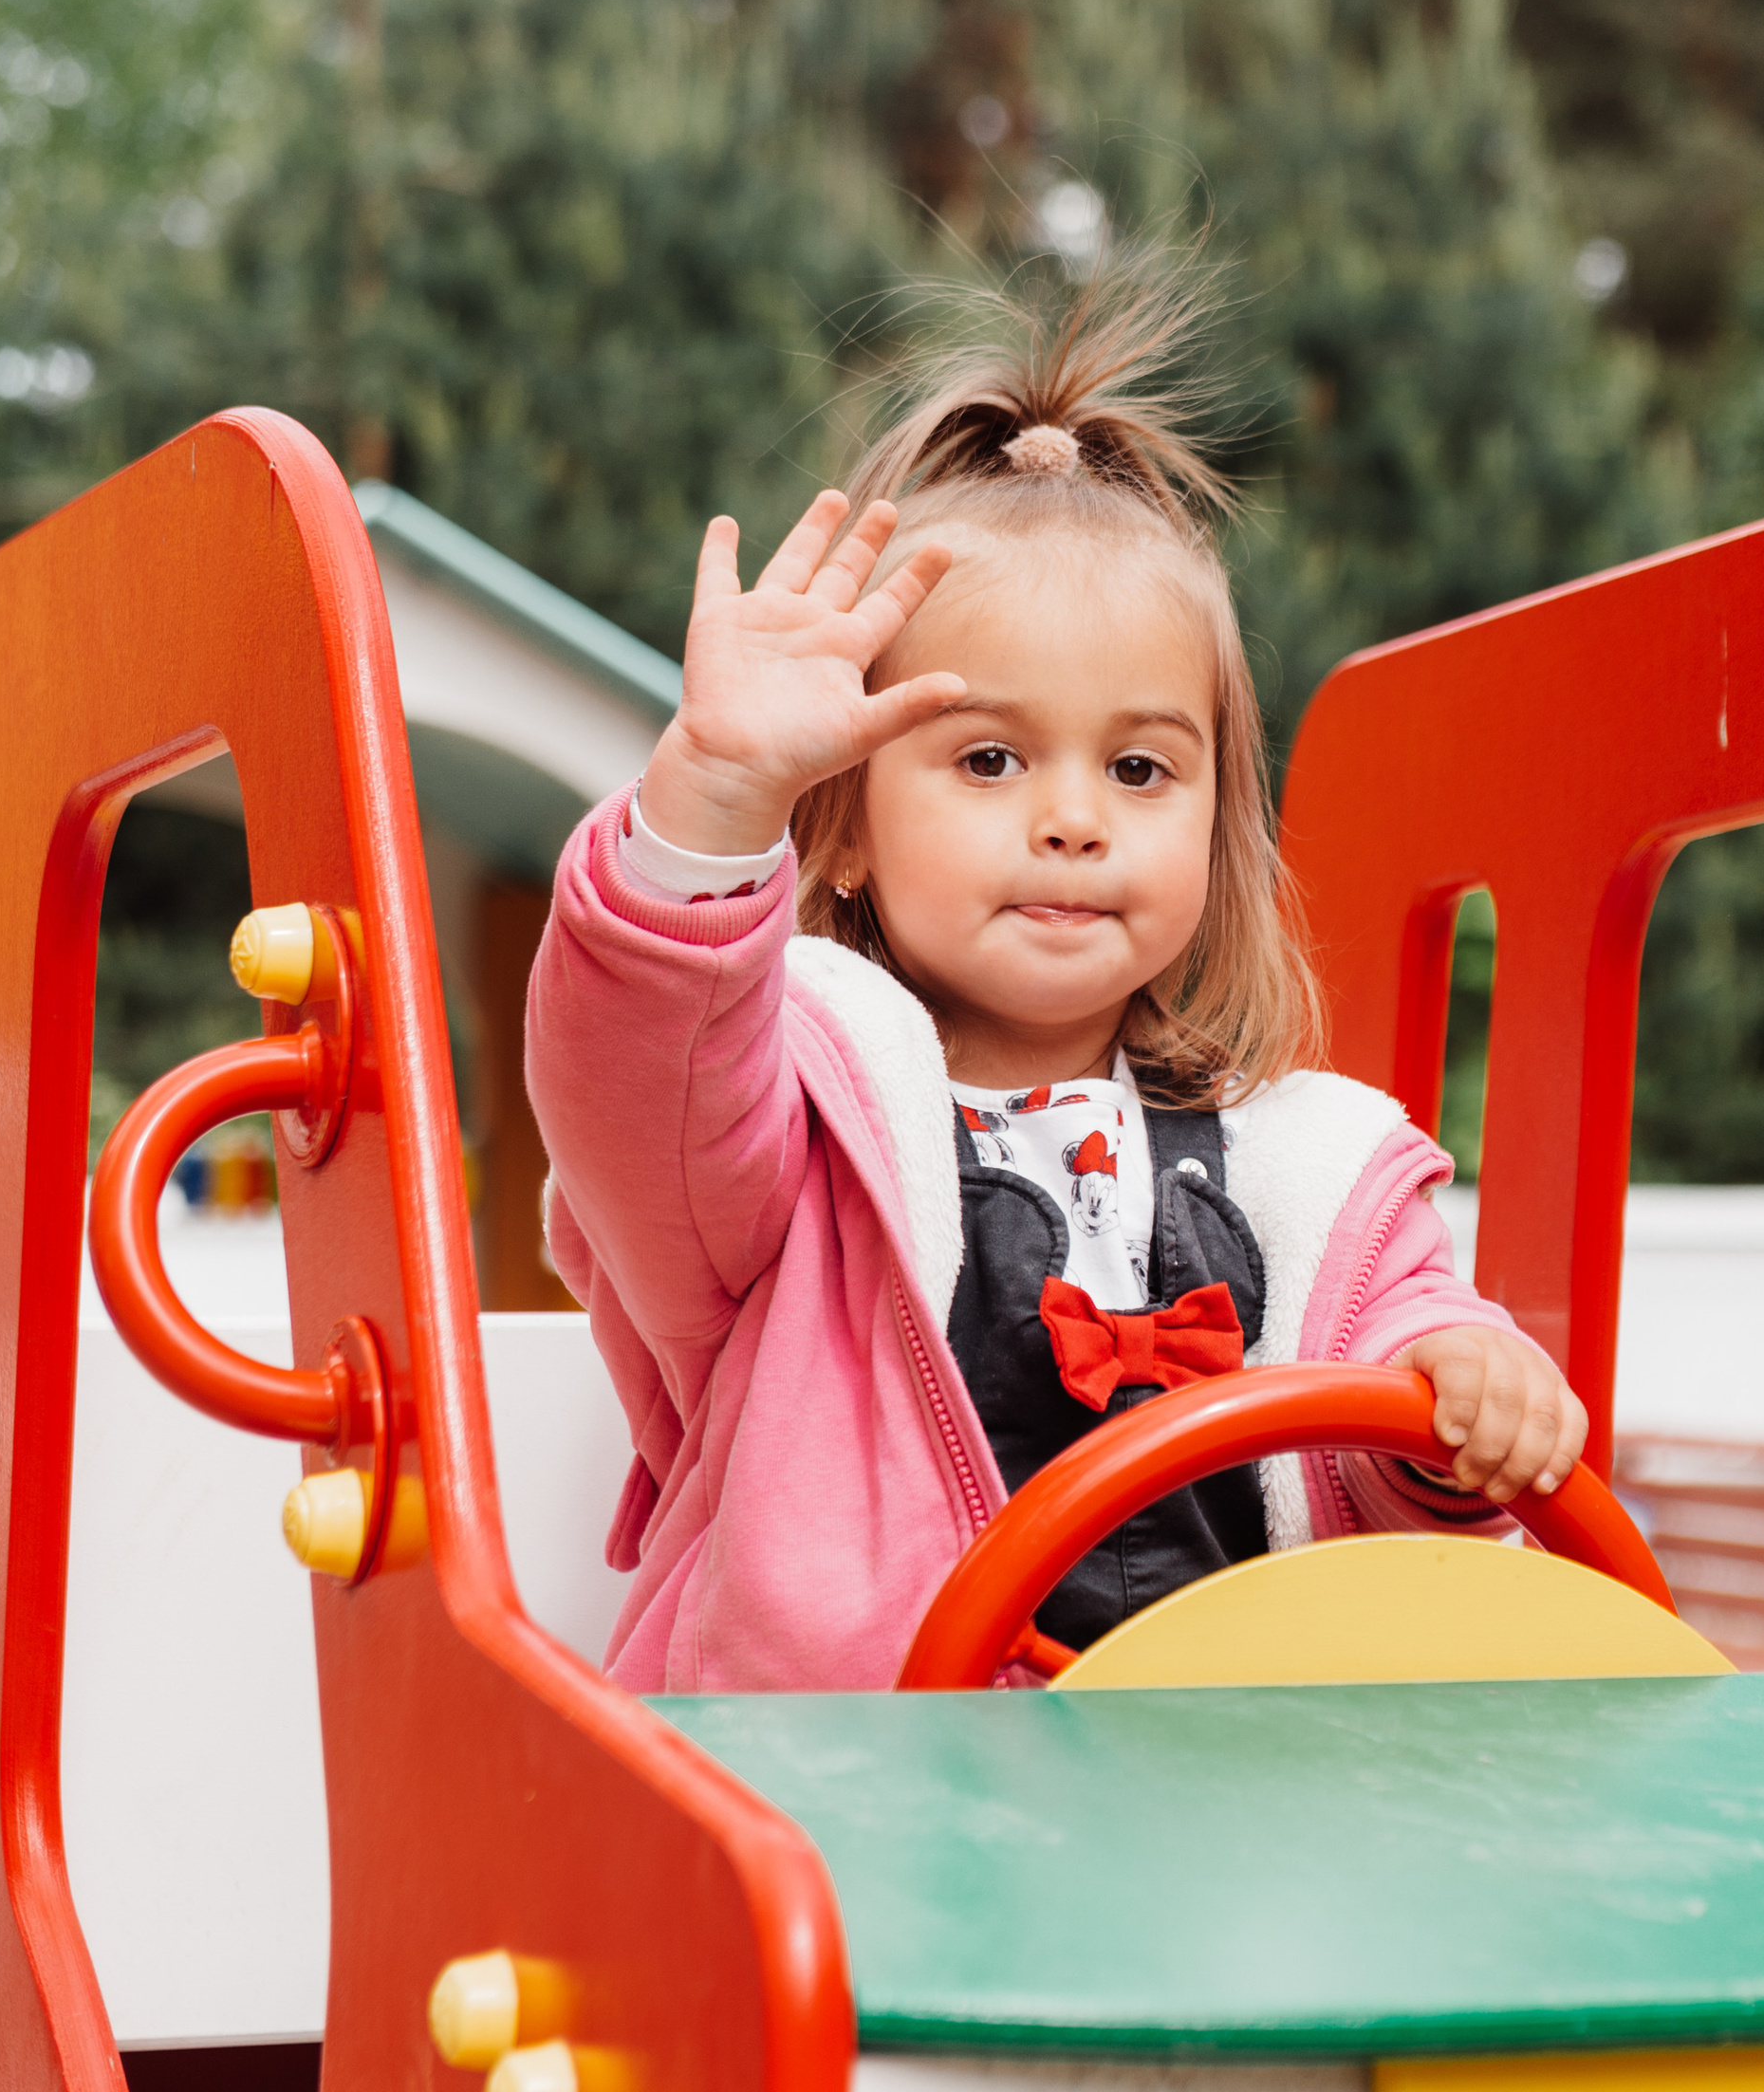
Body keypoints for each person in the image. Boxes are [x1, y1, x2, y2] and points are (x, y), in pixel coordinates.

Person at [527, 264, 1588, 1693]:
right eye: (988, 759)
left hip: (1212, 1827)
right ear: (841, 829)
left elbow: (1383, 1478)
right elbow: (629, 1082)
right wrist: (716, 799)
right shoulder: (789, 1147)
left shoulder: (1307, 1171)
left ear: (1213, 825)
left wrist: (1466, 1404)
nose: (1075, 818)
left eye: (1141, 767)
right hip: (873, 1818)